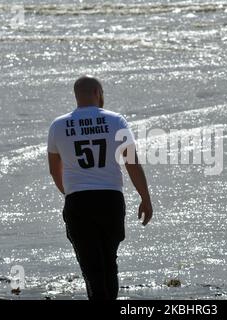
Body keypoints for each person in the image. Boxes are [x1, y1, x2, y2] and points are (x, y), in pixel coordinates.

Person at [47, 75, 153, 300]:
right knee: (109, 262)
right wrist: (145, 197)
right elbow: (132, 163)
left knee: (91, 267)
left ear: (77, 95)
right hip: (110, 199)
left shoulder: (58, 125)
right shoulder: (116, 121)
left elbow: (54, 170)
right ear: (97, 92)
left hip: (79, 201)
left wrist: (69, 193)